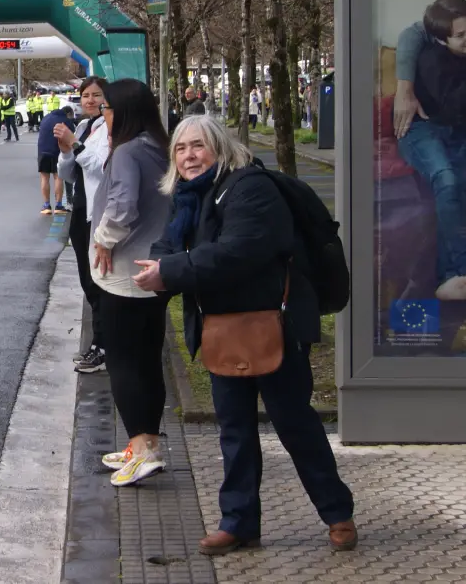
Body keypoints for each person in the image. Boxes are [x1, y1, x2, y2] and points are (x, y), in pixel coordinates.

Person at [134, 115, 356, 554]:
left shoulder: (249, 188)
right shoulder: (187, 196)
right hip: (221, 329)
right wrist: (157, 268)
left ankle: (337, 514)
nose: (189, 156)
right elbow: (169, 245)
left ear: (220, 147)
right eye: (181, 148)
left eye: (198, 146)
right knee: (234, 432)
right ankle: (238, 524)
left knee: (295, 426)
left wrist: (170, 271)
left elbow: (238, 251)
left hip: (273, 326)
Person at [89, 78, 171, 487]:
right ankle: (146, 444)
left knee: (123, 363)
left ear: (122, 112)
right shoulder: (159, 147)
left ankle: (142, 451)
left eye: (106, 107)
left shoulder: (127, 152)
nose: (101, 114)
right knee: (148, 360)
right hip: (155, 270)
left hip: (123, 274)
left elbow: (122, 206)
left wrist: (103, 240)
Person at [396, 0, 466, 300]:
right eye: (461, 35)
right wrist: (404, 88)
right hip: (420, 128)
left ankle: (449, 277)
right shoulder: (432, 60)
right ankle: (459, 271)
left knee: (455, 186)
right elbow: (451, 108)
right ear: (441, 39)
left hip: (452, 130)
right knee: (446, 180)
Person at [57, 77, 109, 373]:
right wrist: (66, 150)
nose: (89, 100)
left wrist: (75, 145)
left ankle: (103, 346)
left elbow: (102, 168)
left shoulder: (110, 129)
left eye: (96, 95)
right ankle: (100, 343)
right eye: (85, 95)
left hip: (97, 212)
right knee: (87, 280)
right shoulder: (84, 126)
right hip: (78, 208)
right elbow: (69, 173)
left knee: (98, 280)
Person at [38, 102, 72, 214]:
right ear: (68, 114)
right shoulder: (66, 120)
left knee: (44, 178)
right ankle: (58, 206)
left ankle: (46, 206)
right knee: (58, 177)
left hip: (43, 151)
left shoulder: (45, 118)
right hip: (57, 152)